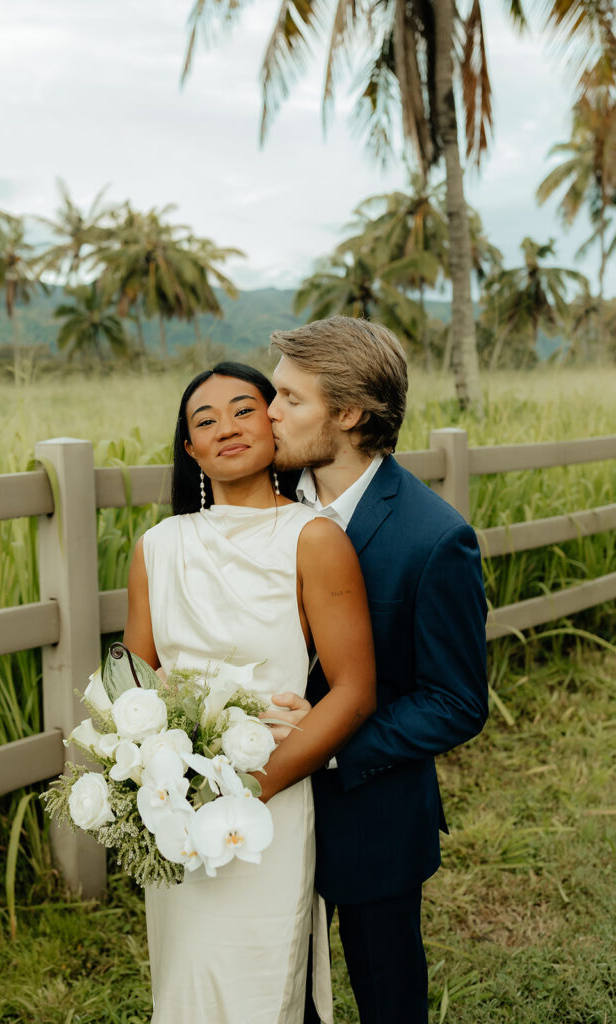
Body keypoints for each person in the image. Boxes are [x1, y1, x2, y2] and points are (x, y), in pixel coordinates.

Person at [123, 361, 376, 1024]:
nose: (226, 428)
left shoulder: (313, 537)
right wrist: (143, 783)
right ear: (189, 450)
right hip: (175, 800)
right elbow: (133, 681)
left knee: (260, 989)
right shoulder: (158, 545)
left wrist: (250, 789)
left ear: (272, 423)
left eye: (244, 410)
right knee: (186, 984)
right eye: (204, 421)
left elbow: (353, 691)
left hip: (269, 797)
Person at [266, 317, 489, 1024]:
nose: (268, 412)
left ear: (349, 414)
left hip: (374, 814)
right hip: (264, 810)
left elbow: (455, 701)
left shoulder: (434, 538)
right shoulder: (256, 500)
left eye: (289, 399)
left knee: (387, 996)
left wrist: (328, 746)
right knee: (281, 993)